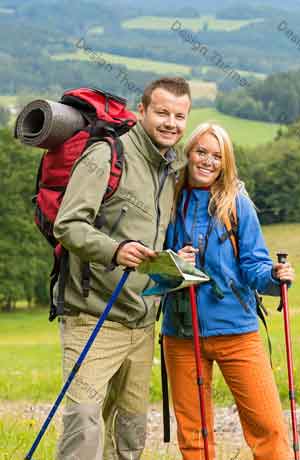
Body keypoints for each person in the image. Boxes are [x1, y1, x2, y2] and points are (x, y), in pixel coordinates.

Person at [53, 77, 192, 459]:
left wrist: (177, 261)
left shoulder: (170, 167)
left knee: (129, 433)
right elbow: (67, 225)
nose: (171, 123)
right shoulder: (106, 155)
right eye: (162, 113)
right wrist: (115, 251)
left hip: (142, 323)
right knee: (84, 426)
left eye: (179, 116)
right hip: (92, 317)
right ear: (142, 111)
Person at [160, 122, 295, 460]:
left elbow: (254, 266)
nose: (207, 161)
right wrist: (172, 262)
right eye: (201, 151)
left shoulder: (237, 204)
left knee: (268, 427)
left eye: (216, 156)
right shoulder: (167, 199)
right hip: (180, 332)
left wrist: (275, 278)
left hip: (237, 330)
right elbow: (151, 266)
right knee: (194, 434)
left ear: (225, 162)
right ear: (188, 153)